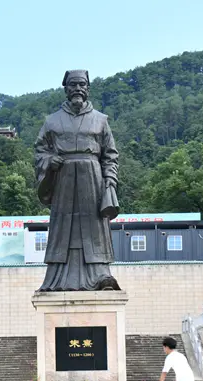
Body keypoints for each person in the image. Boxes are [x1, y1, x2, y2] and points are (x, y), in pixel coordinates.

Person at [34, 69, 121, 292]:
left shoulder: (101, 120)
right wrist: (49, 161)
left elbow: (110, 155)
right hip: (62, 177)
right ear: (65, 89)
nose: (78, 89)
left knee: (94, 227)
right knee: (63, 227)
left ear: (88, 88)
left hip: (92, 179)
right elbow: (39, 150)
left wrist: (110, 181)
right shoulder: (51, 121)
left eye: (82, 84)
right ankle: (57, 278)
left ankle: (101, 275)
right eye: (73, 85)